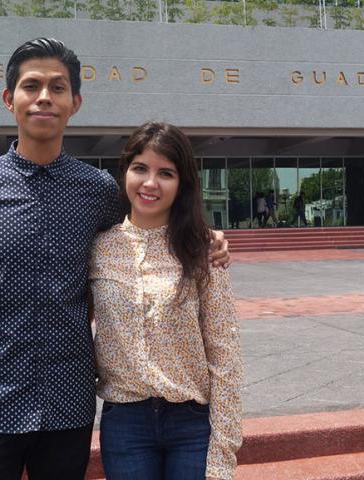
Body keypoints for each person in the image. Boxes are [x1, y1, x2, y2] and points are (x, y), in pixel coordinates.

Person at [0, 39, 230, 480]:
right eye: (32, 86)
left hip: (66, 407)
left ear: (76, 103)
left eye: (58, 87)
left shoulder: (98, 191)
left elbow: (151, 228)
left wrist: (206, 236)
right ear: (10, 99)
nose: (44, 96)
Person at [89, 122, 243, 480]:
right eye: (140, 168)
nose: (150, 183)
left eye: (166, 173)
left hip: (190, 422)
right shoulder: (98, 247)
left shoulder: (202, 250)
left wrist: (223, 450)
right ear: (125, 172)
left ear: (182, 182)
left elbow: (225, 354)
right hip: (125, 420)